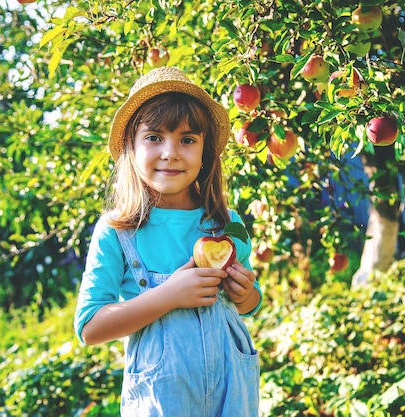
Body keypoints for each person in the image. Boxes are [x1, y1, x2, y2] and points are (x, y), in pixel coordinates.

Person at [73, 66, 263, 417]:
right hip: (162, 399)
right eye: (154, 137)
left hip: (232, 391)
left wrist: (244, 292)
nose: (171, 152)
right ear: (131, 145)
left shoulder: (227, 224)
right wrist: (169, 296)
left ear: (205, 152)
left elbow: (250, 304)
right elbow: (90, 327)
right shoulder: (117, 231)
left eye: (188, 140)